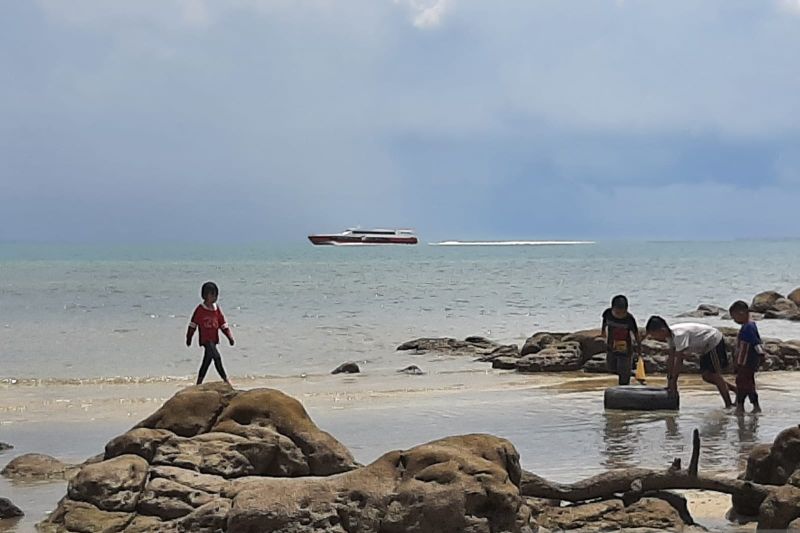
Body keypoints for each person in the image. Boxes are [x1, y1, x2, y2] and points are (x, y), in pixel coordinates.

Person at [645, 316, 737, 407]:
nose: (654, 338)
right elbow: (671, 358)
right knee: (707, 376)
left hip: (713, 341)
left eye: (654, 334)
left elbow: (679, 360)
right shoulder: (670, 337)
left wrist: (674, 382)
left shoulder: (679, 335)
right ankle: (735, 389)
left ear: (662, 330)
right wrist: (669, 379)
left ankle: (728, 405)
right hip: (704, 347)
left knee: (715, 375)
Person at [186, 281, 234, 385]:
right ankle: (226, 380)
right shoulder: (200, 310)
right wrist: (189, 338)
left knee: (206, 362)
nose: (215, 297)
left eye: (216, 295)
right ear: (205, 295)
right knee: (216, 357)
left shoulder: (216, 309)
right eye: (212, 295)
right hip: (206, 340)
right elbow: (193, 324)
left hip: (214, 339)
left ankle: (198, 383)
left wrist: (229, 337)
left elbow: (223, 324)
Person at [729, 300, 764, 414]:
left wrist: (761, 355)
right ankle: (753, 406)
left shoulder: (748, 327)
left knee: (742, 384)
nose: (734, 320)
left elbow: (756, 343)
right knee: (747, 384)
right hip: (743, 362)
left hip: (747, 362)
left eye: (734, 317)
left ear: (742, 313)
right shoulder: (748, 326)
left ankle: (741, 407)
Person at [601, 295, 642, 385]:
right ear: (612, 308)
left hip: (626, 348)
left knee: (624, 375)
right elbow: (604, 322)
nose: (620, 315)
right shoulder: (607, 314)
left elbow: (636, 333)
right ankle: (630, 372)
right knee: (611, 367)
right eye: (617, 313)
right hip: (611, 345)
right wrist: (603, 332)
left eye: (622, 313)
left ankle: (625, 387)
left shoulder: (629, 319)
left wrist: (639, 348)